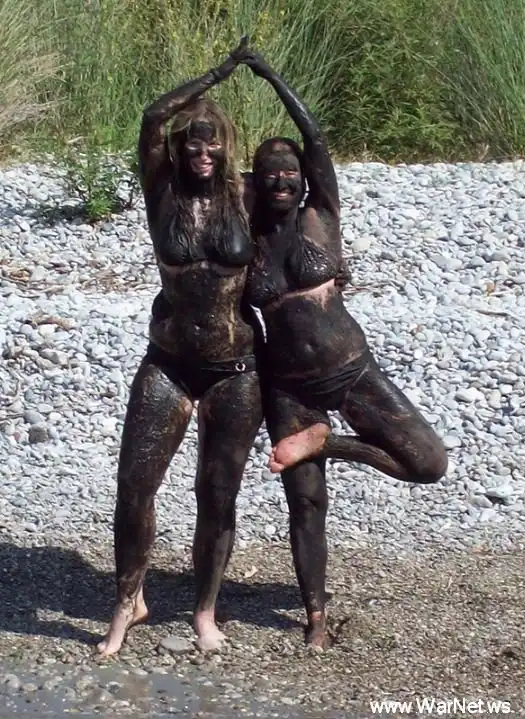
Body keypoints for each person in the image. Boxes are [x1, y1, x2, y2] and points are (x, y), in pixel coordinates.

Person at [238, 46, 448, 649]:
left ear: (305, 180)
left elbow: (315, 137)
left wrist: (269, 73)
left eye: (290, 172)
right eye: (269, 173)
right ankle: (316, 619)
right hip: (289, 387)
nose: (282, 179)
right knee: (305, 502)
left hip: (352, 370)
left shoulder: (321, 214)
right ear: (255, 183)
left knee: (428, 463)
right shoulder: (247, 236)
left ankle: (328, 443)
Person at [97, 39, 265, 657]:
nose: (202, 152)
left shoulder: (246, 196)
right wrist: (221, 72)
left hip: (235, 369)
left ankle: (204, 610)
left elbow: (313, 181)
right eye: (193, 143)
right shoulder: (161, 193)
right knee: (134, 487)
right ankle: (127, 602)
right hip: (167, 363)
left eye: (212, 143)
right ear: (179, 148)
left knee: (217, 494)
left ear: (227, 148)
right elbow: (151, 116)